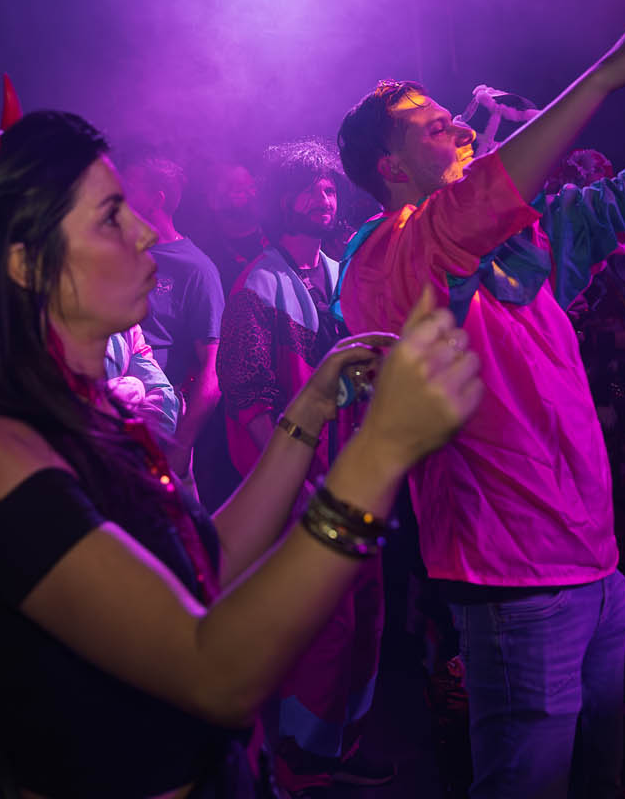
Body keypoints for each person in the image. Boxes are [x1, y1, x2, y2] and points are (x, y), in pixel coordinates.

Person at [0, 74, 484, 799]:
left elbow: (206, 564)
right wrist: (380, 454)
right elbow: (212, 674)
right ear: (24, 261)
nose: (145, 233)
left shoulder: (85, 416)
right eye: (112, 218)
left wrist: (309, 409)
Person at [333, 1, 625, 799]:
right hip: (512, 580)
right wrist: (606, 74)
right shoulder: (385, 259)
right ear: (390, 168)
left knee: (599, 780)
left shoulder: (516, 245)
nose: (462, 128)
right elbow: (469, 211)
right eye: (435, 128)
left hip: (594, 565)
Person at [219, 139, 392, 796]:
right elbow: (247, 393)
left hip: (355, 475)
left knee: (367, 612)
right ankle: (299, 762)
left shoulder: (342, 273)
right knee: (324, 622)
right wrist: (288, 479)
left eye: (329, 188)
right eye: (310, 188)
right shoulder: (258, 282)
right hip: (302, 485)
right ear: (281, 198)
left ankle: (342, 745)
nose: (325, 198)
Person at [119, 153, 228, 498]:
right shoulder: (113, 253)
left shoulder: (196, 269)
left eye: (129, 185)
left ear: (157, 199)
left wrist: (181, 445)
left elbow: (214, 369)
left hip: (158, 422)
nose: (118, 192)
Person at [194, 161, 268, 287]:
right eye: (239, 190)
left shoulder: (275, 236)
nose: (252, 194)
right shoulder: (206, 255)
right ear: (214, 201)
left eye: (252, 187)